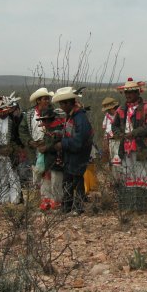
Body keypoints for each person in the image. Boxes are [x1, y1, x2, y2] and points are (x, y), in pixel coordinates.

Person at [111, 78, 147, 210]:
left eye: (131, 92)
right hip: (125, 147)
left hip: (142, 147)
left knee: (142, 174)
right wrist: (120, 134)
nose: (128, 95)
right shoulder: (121, 109)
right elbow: (114, 126)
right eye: (126, 92)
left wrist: (135, 133)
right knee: (128, 175)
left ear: (138, 92)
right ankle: (129, 205)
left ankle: (142, 206)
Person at [53, 87, 94, 215]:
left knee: (76, 180)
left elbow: (79, 140)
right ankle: (66, 207)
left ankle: (78, 208)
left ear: (68, 103)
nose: (61, 106)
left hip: (79, 154)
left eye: (62, 103)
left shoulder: (79, 117)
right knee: (68, 180)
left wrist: (62, 144)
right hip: (71, 154)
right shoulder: (71, 116)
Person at [21, 87, 60, 208]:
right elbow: (22, 130)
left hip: (50, 149)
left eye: (48, 99)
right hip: (35, 149)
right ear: (38, 101)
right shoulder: (29, 114)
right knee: (40, 174)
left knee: (53, 174)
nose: (47, 101)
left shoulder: (54, 114)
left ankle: (55, 200)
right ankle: (45, 199)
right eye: (45, 99)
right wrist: (30, 142)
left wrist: (48, 143)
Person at [0, 93, 24, 204]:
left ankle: (15, 200)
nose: (2, 113)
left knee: (13, 175)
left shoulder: (14, 120)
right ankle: (2, 200)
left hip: (10, 151)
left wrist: (12, 149)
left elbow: (17, 137)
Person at [35, 107, 65, 210]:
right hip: (48, 161)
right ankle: (47, 201)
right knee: (46, 181)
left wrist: (45, 148)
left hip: (57, 160)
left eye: (45, 120)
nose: (43, 122)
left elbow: (57, 145)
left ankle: (56, 202)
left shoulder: (58, 129)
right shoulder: (48, 130)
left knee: (56, 182)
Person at [101, 96, 121, 178]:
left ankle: (122, 180)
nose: (108, 111)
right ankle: (115, 180)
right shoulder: (107, 116)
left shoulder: (121, 114)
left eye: (109, 109)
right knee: (112, 162)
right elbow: (106, 130)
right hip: (111, 141)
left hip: (119, 141)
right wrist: (105, 142)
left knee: (119, 162)